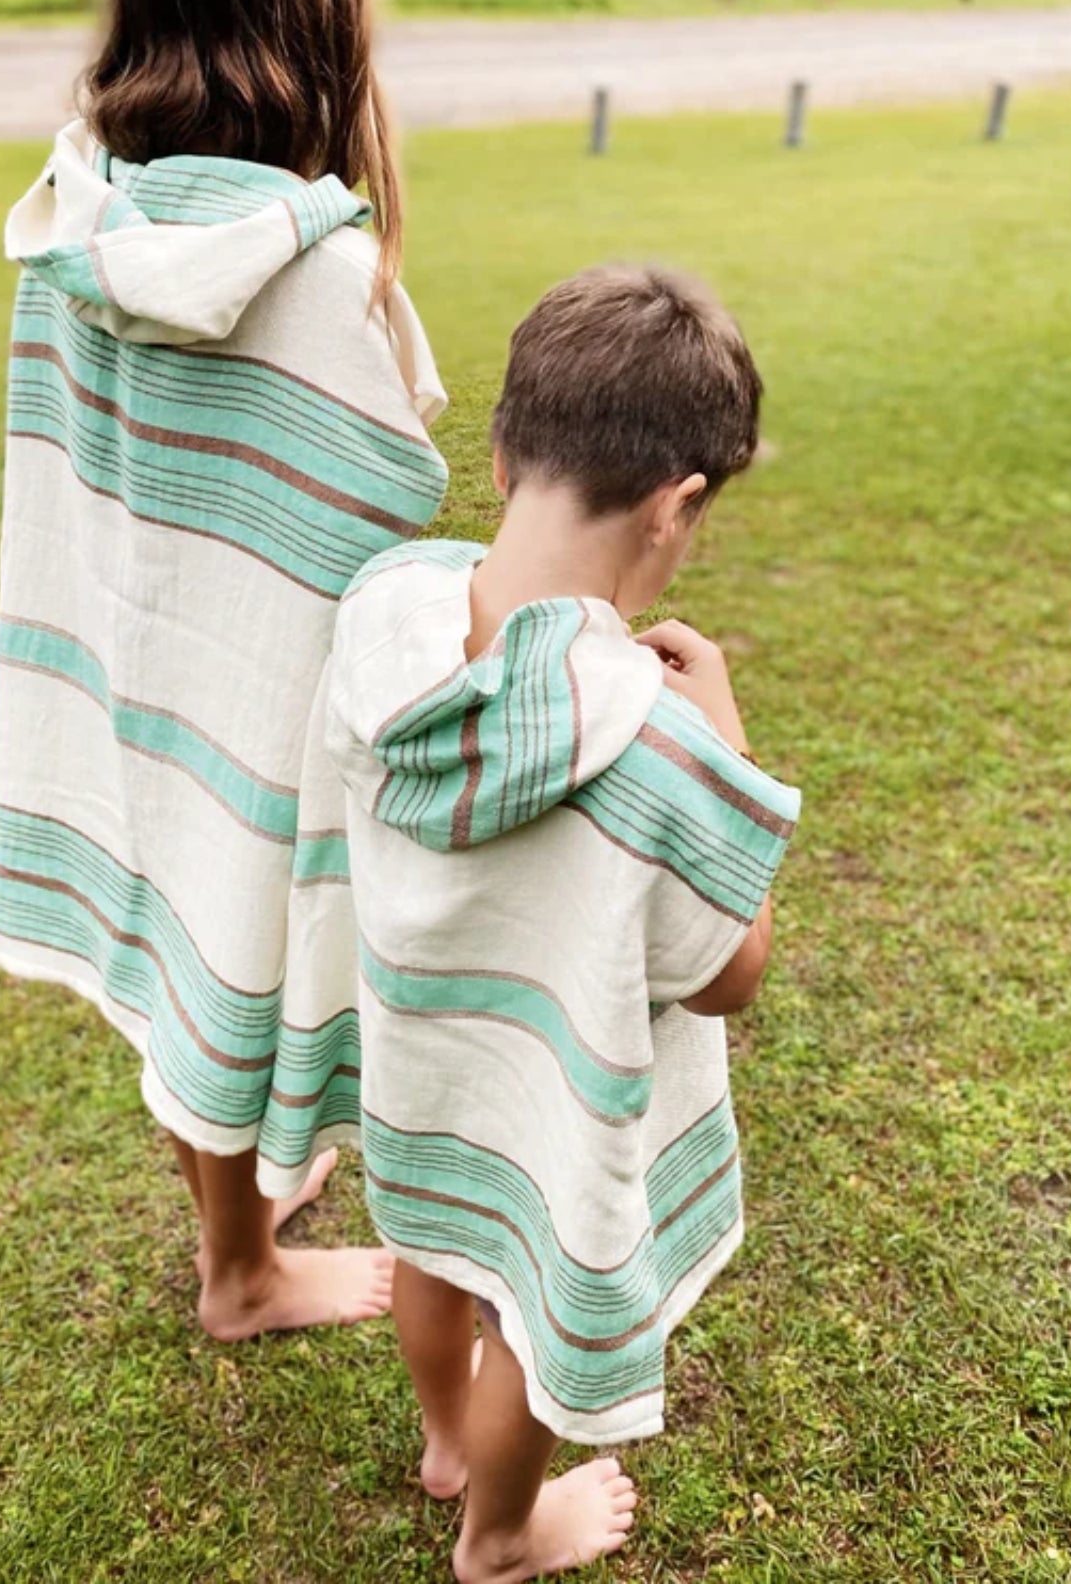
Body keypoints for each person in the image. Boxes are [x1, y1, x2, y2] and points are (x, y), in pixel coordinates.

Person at [0, 0, 449, 1341]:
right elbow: (387, 507)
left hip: (126, 678)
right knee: (235, 945)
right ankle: (241, 1274)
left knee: (178, 947)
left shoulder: (74, 220)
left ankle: (241, 1217)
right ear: (317, 5)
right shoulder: (319, 274)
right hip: (254, 720)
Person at [271, 264, 800, 1580]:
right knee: (526, 1325)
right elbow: (730, 973)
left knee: (434, 1253)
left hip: (422, 1066)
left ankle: (447, 1443)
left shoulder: (380, 618)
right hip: (551, 1115)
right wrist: (725, 739)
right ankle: (499, 1535)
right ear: (676, 507)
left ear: (503, 458)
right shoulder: (660, 751)